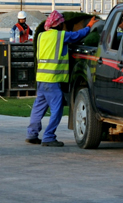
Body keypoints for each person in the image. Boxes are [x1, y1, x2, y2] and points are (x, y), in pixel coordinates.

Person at [27, 10, 97, 147]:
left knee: (38, 108)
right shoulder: (60, 36)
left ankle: (31, 134)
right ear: (58, 25)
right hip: (52, 80)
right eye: (62, 24)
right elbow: (77, 35)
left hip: (41, 79)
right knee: (57, 110)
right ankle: (48, 137)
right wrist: (89, 26)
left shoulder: (41, 36)